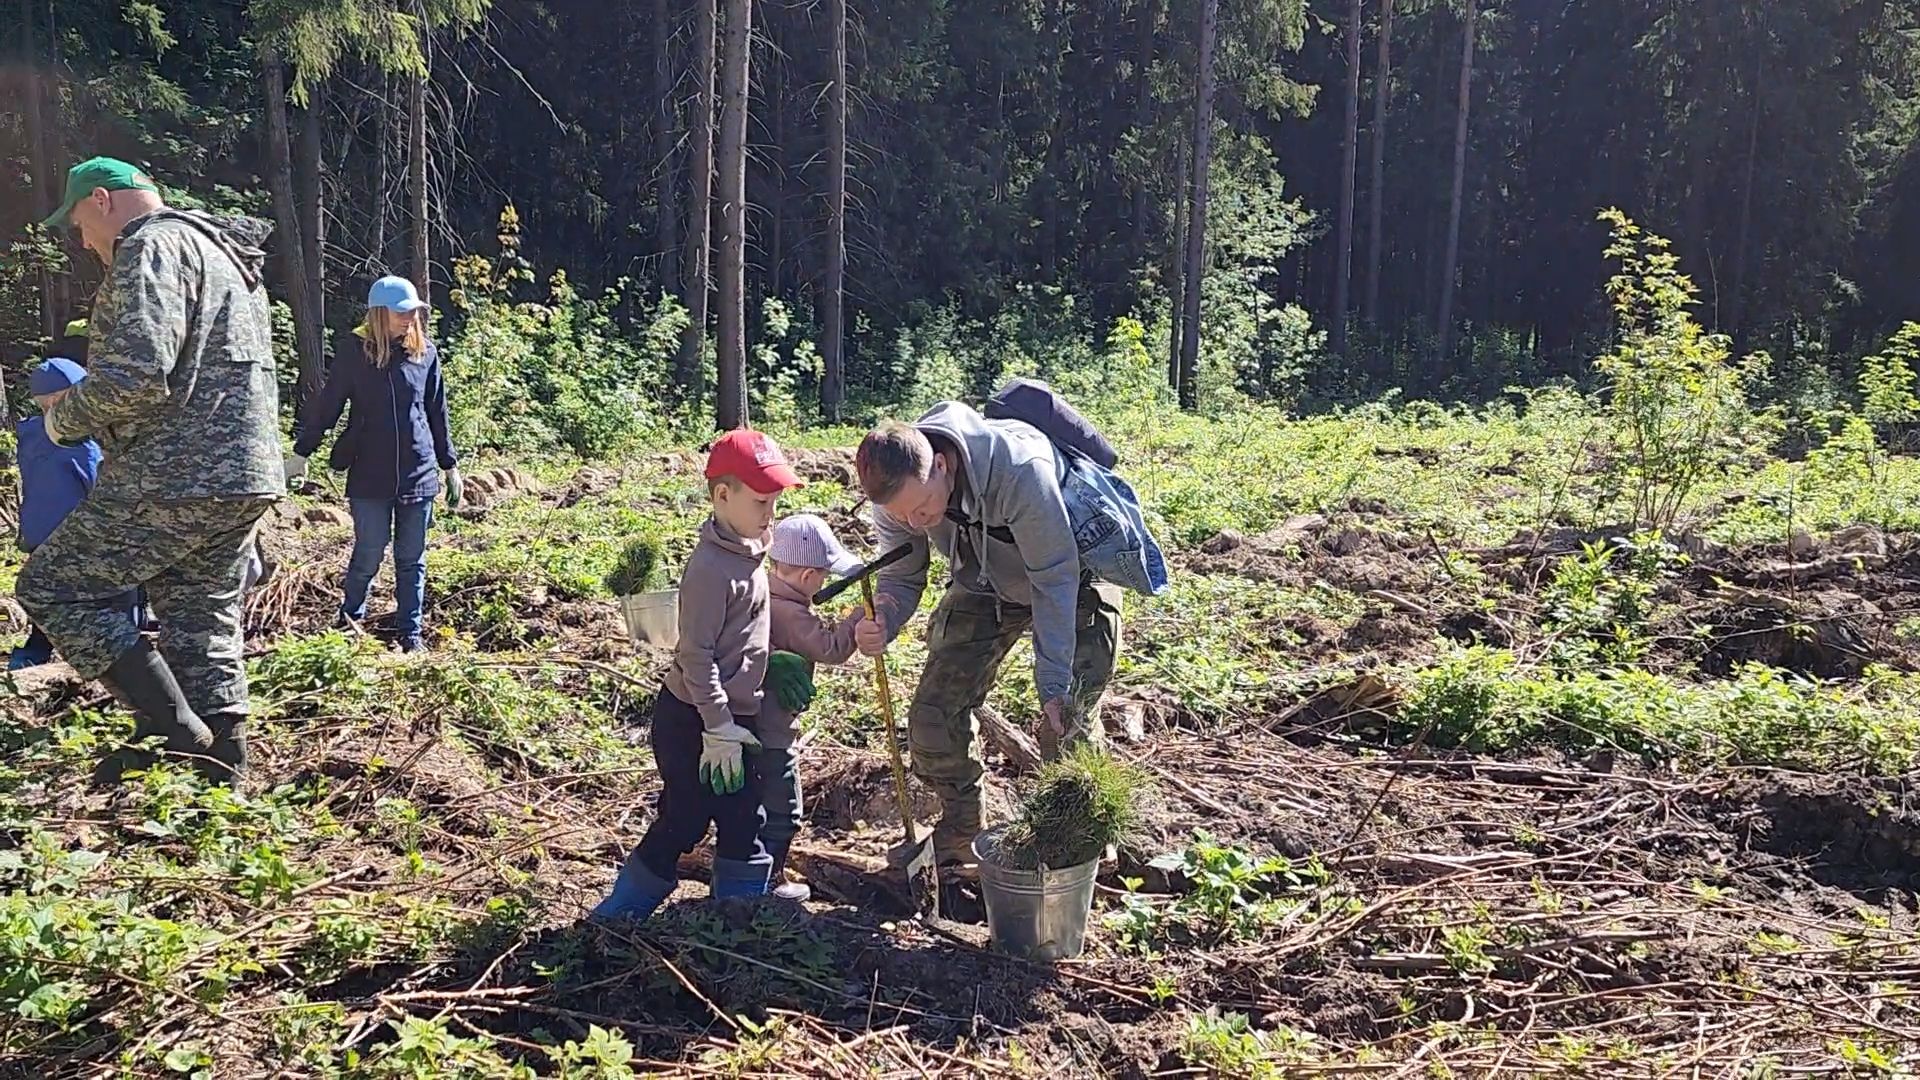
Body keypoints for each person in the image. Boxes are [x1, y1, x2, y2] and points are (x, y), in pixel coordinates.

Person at [16, 156, 284, 783]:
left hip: (175, 472)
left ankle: (173, 730)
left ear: (103, 201)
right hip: (242, 470)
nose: (82, 240)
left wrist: (61, 424)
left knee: (52, 586)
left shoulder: (151, 247)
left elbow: (135, 375)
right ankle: (224, 764)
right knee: (199, 611)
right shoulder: (222, 251)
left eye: (79, 221)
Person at [851, 405, 1128, 871]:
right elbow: (901, 575)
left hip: (1072, 580)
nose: (916, 523)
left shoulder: (1019, 470)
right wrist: (885, 619)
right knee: (933, 717)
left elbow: (1054, 578)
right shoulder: (899, 498)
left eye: (922, 510)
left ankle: (1083, 850)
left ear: (942, 464)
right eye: (903, 516)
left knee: (1066, 721)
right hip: (986, 581)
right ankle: (962, 830)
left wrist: (1054, 685)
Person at [593, 429, 814, 921]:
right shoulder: (711, 569)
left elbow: (745, 630)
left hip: (737, 715)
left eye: (775, 501)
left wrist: (764, 663)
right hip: (695, 718)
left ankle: (737, 915)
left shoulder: (751, 551)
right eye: (761, 501)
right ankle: (617, 916)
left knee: (744, 817)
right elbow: (695, 654)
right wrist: (717, 725)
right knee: (686, 816)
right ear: (722, 496)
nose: (770, 513)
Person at [289, 276, 462, 654]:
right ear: (380, 314)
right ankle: (349, 622)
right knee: (369, 551)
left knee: (411, 559)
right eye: (402, 313)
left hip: (418, 473)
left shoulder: (425, 353)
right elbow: (329, 406)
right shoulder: (355, 354)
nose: (409, 319)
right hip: (369, 472)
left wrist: (450, 465)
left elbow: (437, 412)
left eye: (414, 312)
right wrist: (302, 453)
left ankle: (410, 635)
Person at [758, 513, 881, 902]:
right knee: (784, 811)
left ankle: (750, 876)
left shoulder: (762, 591)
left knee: (757, 805)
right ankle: (768, 883)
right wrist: (858, 616)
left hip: (751, 723)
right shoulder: (790, 613)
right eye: (824, 577)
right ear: (809, 576)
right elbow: (830, 649)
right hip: (772, 730)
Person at [9, 359, 138, 670]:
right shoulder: (80, 442)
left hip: (41, 535)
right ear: (62, 399)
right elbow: (98, 487)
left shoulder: (30, 437)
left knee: (50, 596)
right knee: (120, 589)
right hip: (82, 534)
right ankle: (129, 649)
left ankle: (34, 655)